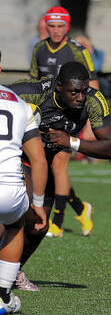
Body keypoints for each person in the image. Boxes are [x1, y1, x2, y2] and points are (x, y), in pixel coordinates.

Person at [8, 61, 111, 292]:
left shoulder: (93, 100)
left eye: (83, 91)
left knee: (39, 224)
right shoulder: (31, 92)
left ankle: (13, 273)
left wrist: (71, 142)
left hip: (44, 163)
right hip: (16, 158)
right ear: (59, 87)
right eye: (74, 91)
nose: (80, 97)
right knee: (21, 211)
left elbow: (110, 148)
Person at [30, 6, 100, 239]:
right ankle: (81, 209)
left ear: (67, 26)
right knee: (47, 167)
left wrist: (91, 123)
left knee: (58, 166)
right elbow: (34, 83)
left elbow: (94, 86)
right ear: (45, 26)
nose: (56, 30)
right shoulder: (39, 49)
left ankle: (56, 223)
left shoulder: (77, 50)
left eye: (61, 26)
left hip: (72, 116)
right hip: (44, 116)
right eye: (52, 25)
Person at [0, 52, 47, 313]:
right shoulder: (19, 103)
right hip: (11, 190)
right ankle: (3, 295)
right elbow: (38, 159)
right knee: (15, 224)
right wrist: (38, 204)